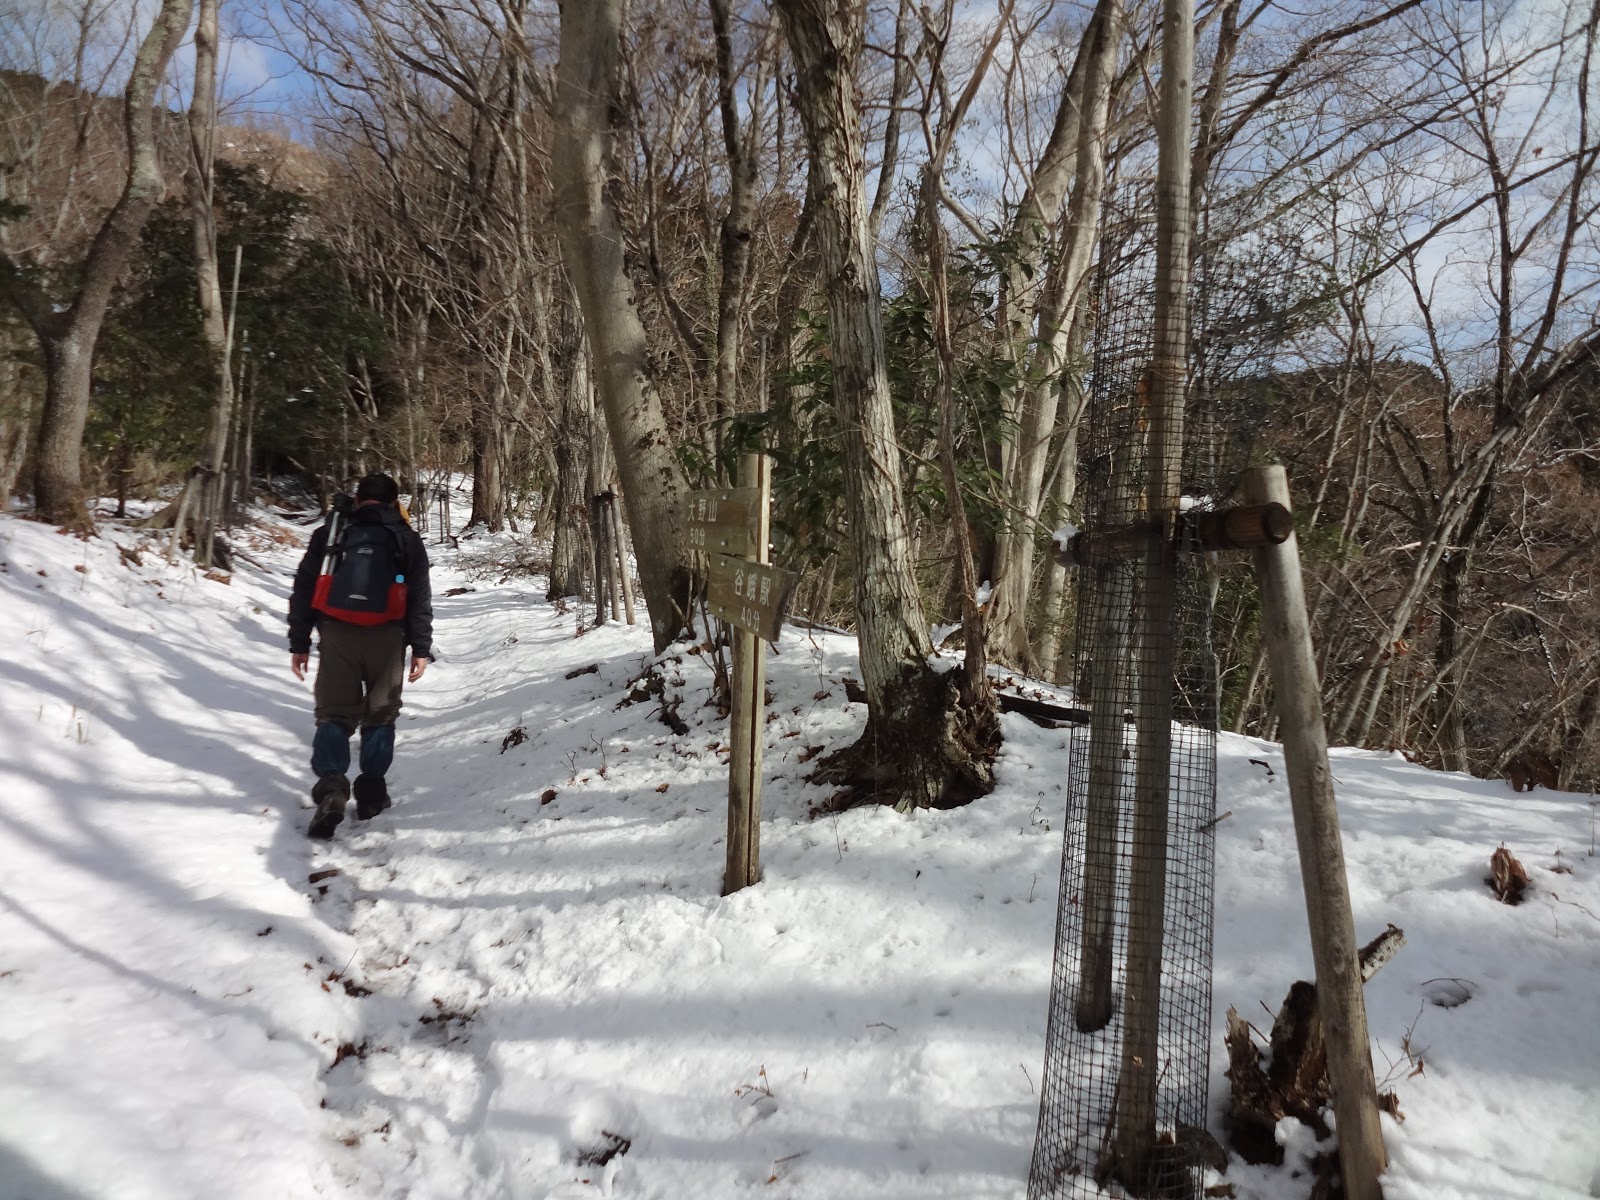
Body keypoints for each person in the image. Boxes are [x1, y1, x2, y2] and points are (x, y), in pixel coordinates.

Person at [288, 473, 434, 839]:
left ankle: (333, 787)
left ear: (357, 499)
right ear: (392, 501)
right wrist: (420, 648)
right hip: (388, 635)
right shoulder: (405, 537)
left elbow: (305, 586)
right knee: (380, 715)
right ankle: (371, 793)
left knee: (333, 713)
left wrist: (300, 641)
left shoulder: (332, 533)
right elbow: (420, 597)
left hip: (336, 632)